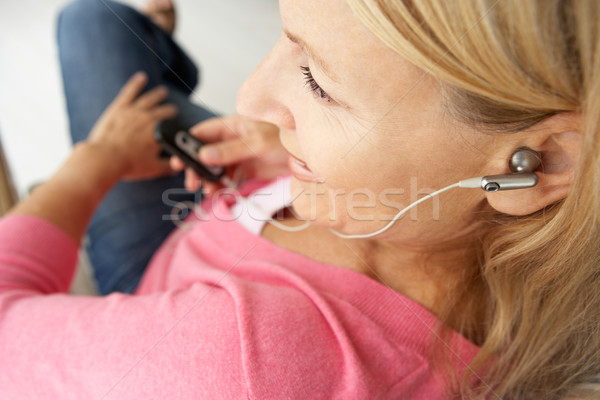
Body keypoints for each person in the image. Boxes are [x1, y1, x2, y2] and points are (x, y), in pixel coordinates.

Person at [0, 0, 598, 399]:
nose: (249, 94)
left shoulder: (237, 358)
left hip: (156, 265)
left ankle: (155, 52)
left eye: (319, 83)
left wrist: (91, 164)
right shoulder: (520, 251)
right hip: (240, 190)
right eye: (284, 38)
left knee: (92, 19)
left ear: (541, 162)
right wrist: (284, 156)